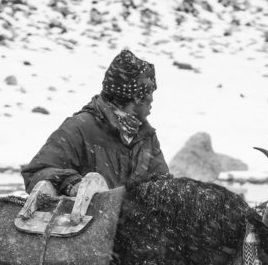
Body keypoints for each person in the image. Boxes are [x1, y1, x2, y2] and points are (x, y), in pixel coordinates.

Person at [22, 49, 169, 196]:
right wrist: (73, 185)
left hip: (131, 219)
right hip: (84, 219)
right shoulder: (79, 128)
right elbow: (37, 172)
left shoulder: (146, 137)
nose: (152, 100)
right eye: (150, 93)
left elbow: (163, 187)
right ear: (136, 98)